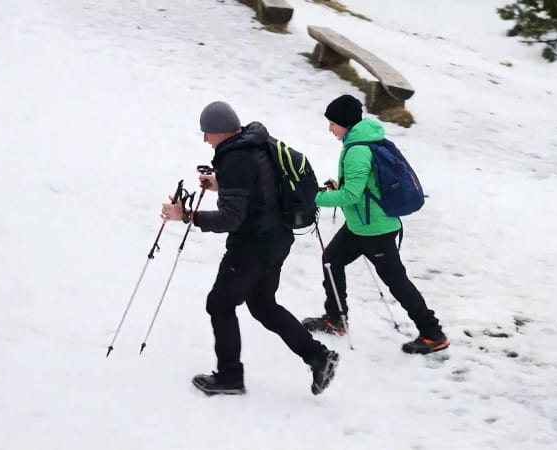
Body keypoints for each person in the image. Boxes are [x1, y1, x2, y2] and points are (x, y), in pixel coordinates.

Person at [161, 101, 339, 395]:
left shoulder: (235, 159)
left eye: (207, 133)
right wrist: (222, 185)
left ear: (220, 131)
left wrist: (187, 216)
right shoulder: (258, 142)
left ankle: (230, 377)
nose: (206, 139)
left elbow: (231, 218)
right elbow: (261, 188)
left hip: (252, 246)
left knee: (219, 303)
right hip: (277, 240)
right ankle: (320, 358)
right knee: (263, 305)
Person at [301, 94, 450, 354]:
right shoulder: (363, 141)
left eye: (333, 123)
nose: (330, 129)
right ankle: (335, 318)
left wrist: (312, 197)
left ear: (346, 123)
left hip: (375, 230)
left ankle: (432, 333)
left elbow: (351, 196)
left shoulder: (357, 150)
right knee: (331, 259)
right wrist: (338, 188)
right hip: (361, 225)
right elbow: (360, 188)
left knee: (397, 282)